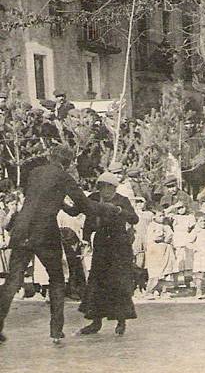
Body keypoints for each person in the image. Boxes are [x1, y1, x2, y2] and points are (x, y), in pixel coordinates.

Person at [0, 147, 123, 345]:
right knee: (56, 280)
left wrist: (63, 205)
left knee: (13, 281)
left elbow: (41, 199)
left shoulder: (35, 173)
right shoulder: (64, 177)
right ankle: (56, 330)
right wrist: (109, 209)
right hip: (44, 232)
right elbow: (85, 207)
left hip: (22, 229)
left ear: (50, 156)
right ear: (68, 162)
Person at [69, 172, 139, 336]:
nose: (105, 191)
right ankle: (96, 322)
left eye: (108, 187)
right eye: (101, 187)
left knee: (119, 282)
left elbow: (134, 219)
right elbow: (88, 218)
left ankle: (121, 321)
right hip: (101, 245)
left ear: (114, 187)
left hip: (119, 246)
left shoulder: (122, 200)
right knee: (97, 282)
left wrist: (120, 211)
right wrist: (85, 239)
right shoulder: (94, 198)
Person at [144, 208, 177, 299]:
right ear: (154, 217)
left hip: (166, 251)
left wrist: (167, 238)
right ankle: (150, 291)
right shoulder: (152, 226)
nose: (162, 218)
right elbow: (154, 238)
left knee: (166, 272)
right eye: (160, 216)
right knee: (155, 272)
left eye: (163, 216)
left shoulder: (167, 226)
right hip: (155, 252)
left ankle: (164, 291)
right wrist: (162, 237)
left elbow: (170, 236)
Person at [187, 216, 205, 300]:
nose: (203, 223)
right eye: (201, 221)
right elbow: (188, 242)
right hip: (200, 255)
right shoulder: (195, 231)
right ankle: (198, 291)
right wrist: (195, 248)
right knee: (199, 273)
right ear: (197, 222)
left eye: (204, 221)